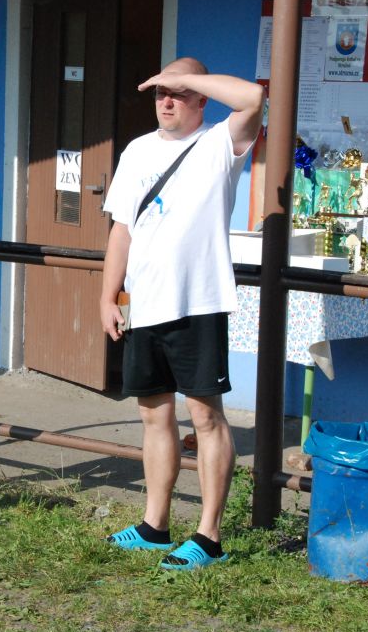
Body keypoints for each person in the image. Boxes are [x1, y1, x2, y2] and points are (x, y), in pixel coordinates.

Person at [99, 58, 264, 570]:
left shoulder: (220, 143)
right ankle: (155, 526)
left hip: (199, 301)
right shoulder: (137, 150)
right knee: (153, 414)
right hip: (145, 302)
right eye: (159, 93)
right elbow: (122, 229)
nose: (166, 101)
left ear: (200, 99)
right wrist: (108, 296)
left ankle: (209, 537)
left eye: (178, 93)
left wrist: (184, 77)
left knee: (206, 417)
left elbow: (254, 98)